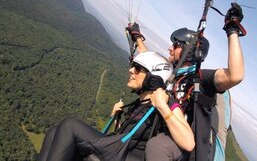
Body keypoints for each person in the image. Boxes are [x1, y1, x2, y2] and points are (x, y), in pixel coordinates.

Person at [125, 3, 245, 161]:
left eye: (175, 45)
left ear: (189, 51)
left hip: (188, 146)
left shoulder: (200, 79)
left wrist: (232, 30)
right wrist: (137, 36)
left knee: (158, 146)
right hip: (169, 132)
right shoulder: (172, 74)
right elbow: (148, 59)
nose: (170, 48)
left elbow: (234, 76)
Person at [37, 51, 195, 161]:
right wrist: (116, 118)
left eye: (138, 69)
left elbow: (189, 143)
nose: (131, 70)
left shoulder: (168, 102)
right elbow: (129, 134)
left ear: (152, 78)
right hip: (119, 152)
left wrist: (163, 107)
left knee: (70, 125)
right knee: (53, 132)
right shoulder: (138, 103)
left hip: (133, 157)